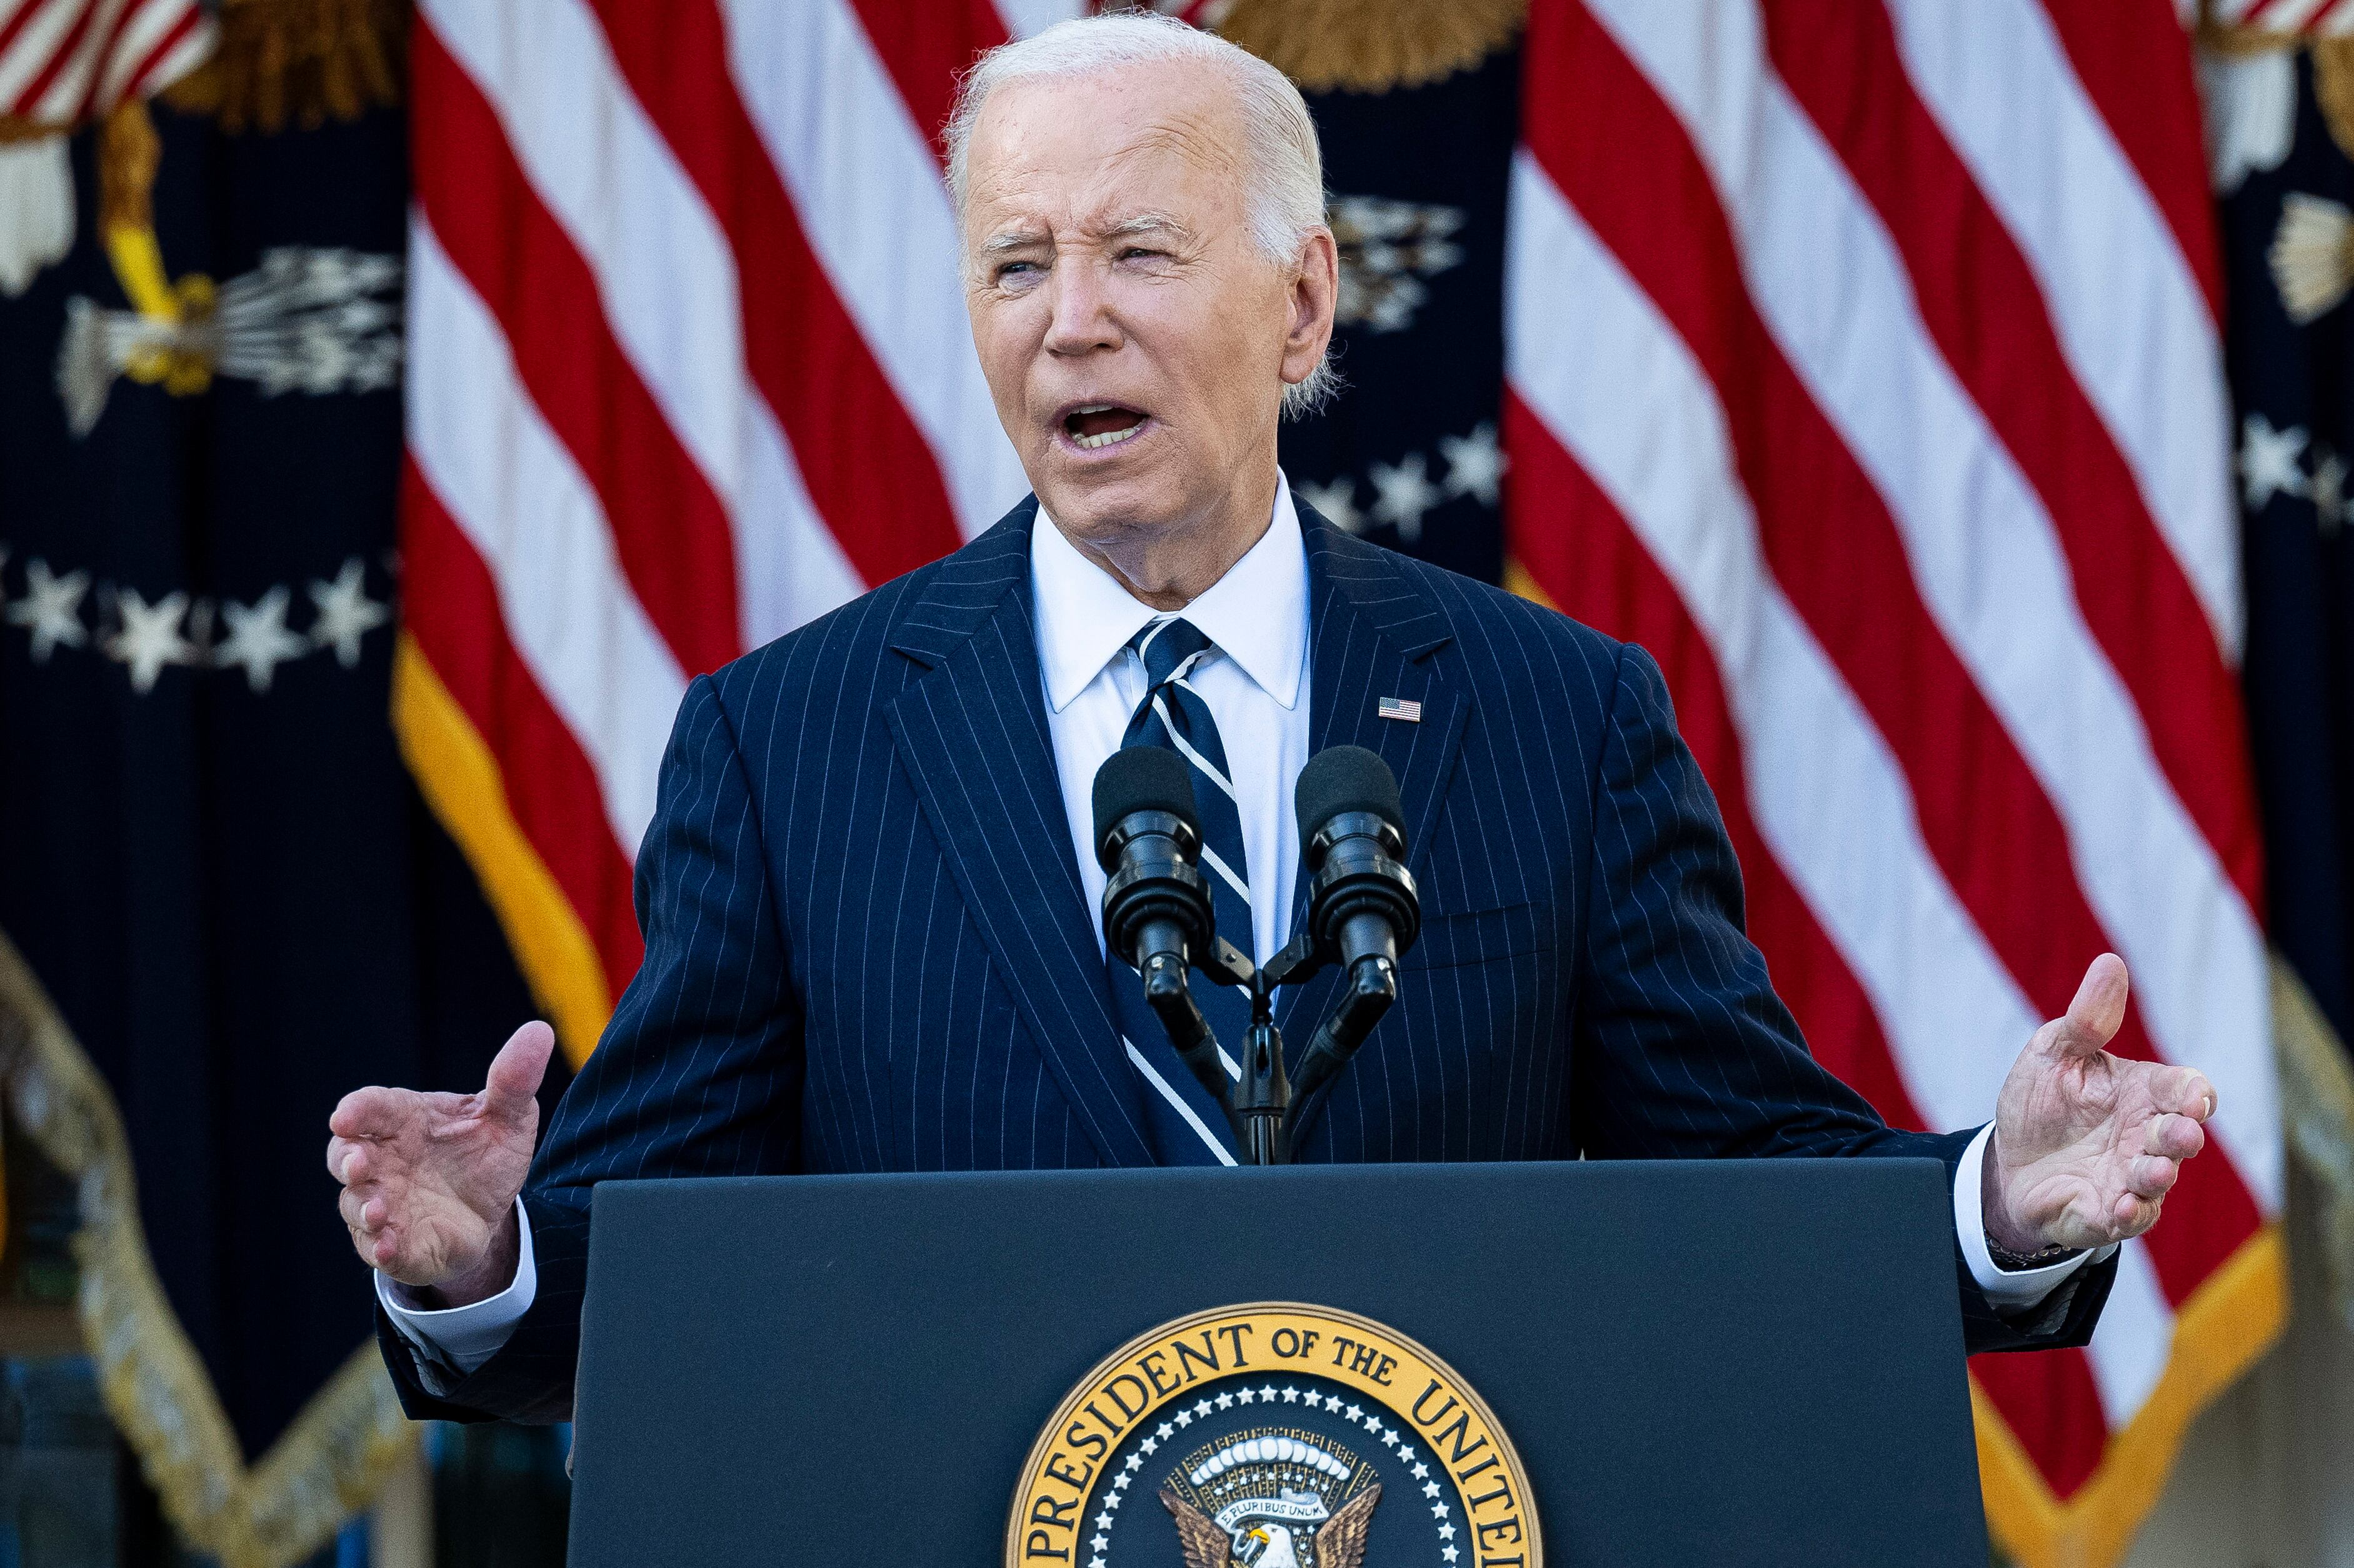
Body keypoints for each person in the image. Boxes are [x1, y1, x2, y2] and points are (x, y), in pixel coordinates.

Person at [331, 13, 2216, 1422]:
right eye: (1015, 264)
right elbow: (654, 1272)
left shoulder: (1555, 715)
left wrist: (2002, 1200)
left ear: (1303, 308)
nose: (1068, 321)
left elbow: (1741, 1180)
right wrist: (486, 1263)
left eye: (1139, 252)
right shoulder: (793, 738)